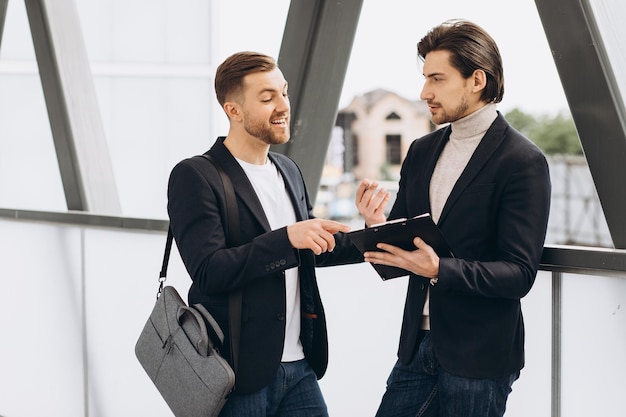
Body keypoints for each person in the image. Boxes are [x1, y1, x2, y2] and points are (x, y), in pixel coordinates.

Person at [355, 20, 551, 417]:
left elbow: (518, 273)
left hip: (479, 355)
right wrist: (375, 226)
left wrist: (439, 269)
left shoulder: (523, 161)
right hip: (416, 346)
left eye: (437, 79)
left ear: (477, 79)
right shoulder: (422, 150)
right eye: (425, 78)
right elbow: (401, 247)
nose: (424, 92)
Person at [167, 51, 363, 417]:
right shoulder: (196, 176)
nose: (283, 105)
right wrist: (286, 238)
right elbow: (210, 270)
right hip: (236, 373)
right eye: (267, 97)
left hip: (300, 366)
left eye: (284, 92)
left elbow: (312, 245)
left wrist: (373, 232)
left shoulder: (287, 170)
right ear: (233, 111)